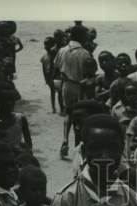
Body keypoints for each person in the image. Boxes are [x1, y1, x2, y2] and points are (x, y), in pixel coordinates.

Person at [57, 26, 97, 159]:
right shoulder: (84, 53)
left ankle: (64, 139)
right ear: (82, 37)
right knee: (80, 116)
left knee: (68, 113)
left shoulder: (62, 50)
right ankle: (77, 146)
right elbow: (88, 73)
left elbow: (57, 66)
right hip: (80, 86)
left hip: (66, 85)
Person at [0, 84, 32, 152]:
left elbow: (29, 144)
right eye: (6, 100)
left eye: (12, 100)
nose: (10, 103)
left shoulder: (20, 119)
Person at [40, 37, 62, 113]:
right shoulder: (44, 56)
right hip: (49, 78)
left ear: (53, 45)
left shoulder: (56, 54)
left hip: (57, 77)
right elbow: (43, 69)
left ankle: (61, 108)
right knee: (52, 92)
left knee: (59, 92)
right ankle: (53, 108)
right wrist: (46, 79)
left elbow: (59, 66)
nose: (46, 46)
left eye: (47, 45)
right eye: (45, 45)